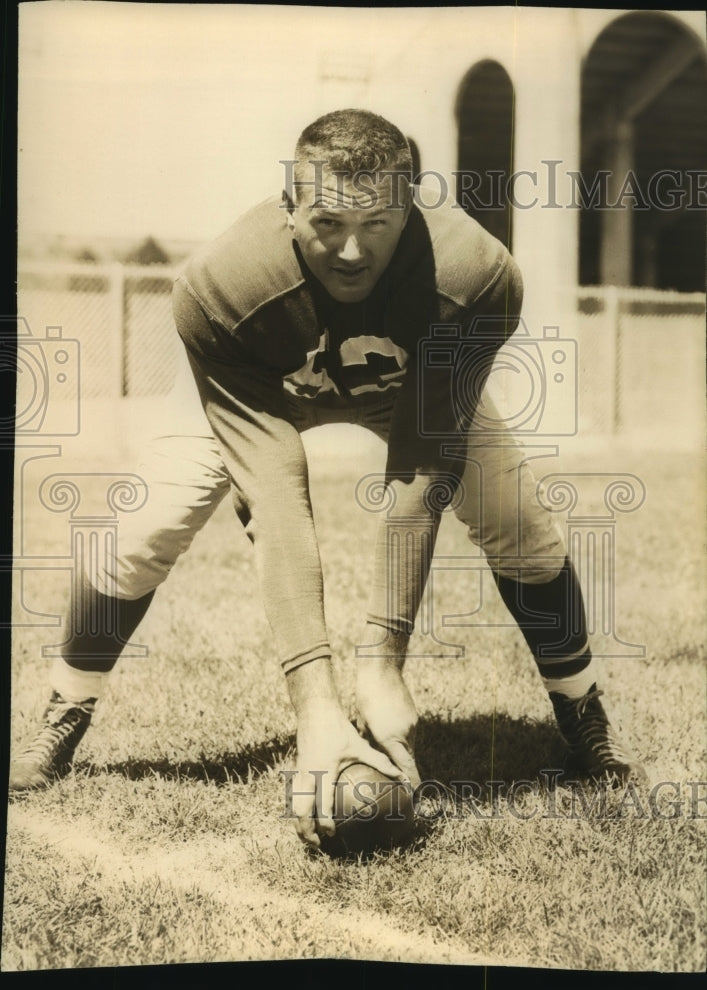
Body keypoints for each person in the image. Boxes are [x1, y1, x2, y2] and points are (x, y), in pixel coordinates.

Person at [10, 109, 645, 847]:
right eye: (326, 222)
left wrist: (382, 657)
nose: (350, 249)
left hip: (410, 394)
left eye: (377, 222)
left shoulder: (475, 276)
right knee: (143, 529)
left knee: (518, 523)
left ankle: (580, 712)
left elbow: (418, 468)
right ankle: (65, 705)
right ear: (289, 204)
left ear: (411, 205)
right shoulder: (221, 286)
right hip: (269, 388)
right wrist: (315, 704)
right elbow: (276, 497)